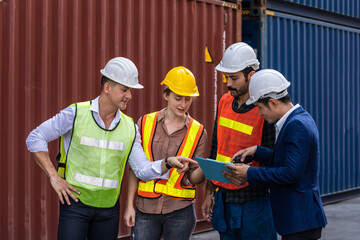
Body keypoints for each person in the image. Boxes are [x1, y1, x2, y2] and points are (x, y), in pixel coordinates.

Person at [25, 57, 196, 240]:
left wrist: (168, 162)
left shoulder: (130, 127)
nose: (129, 95)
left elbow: (141, 170)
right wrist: (54, 177)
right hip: (75, 206)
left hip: (108, 212)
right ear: (107, 88)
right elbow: (35, 138)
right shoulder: (75, 114)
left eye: (130, 90)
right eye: (124, 89)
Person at [225, 69, 327, 239]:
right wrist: (259, 151)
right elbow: (290, 160)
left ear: (272, 103)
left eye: (259, 107)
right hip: (300, 219)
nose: (259, 113)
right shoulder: (300, 118)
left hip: (300, 221)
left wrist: (250, 173)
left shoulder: (296, 126)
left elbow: (291, 173)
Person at [201, 42, 277, 239]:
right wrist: (209, 192)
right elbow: (215, 148)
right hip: (224, 199)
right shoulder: (224, 101)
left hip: (254, 203)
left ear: (251, 76)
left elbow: (274, 159)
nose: (228, 83)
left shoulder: (265, 110)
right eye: (226, 77)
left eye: (234, 78)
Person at [124, 66, 207, 240]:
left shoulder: (199, 132)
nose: (183, 104)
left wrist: (204, 170)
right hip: (146, 210)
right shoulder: (145, 122)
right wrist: (129, 205)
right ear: (166, 95)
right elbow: (134, 168)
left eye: (188, 99)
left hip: (180, 212)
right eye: (178, 98)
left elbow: (193, 178)